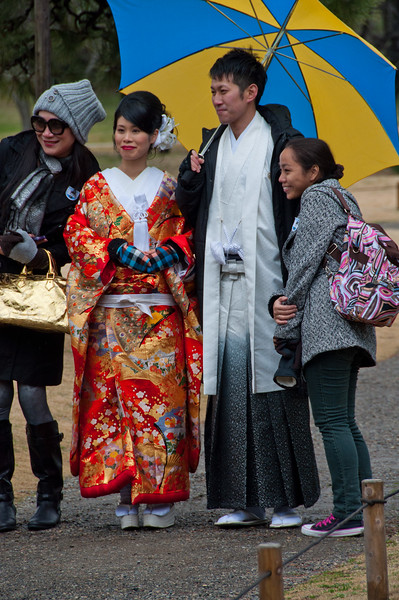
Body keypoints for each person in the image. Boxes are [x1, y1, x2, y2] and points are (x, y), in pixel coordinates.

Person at [175, 48, 320, 528]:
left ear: (251, 92)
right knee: (229, 382)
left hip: (270, 278)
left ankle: (283, 501)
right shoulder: (213, 143)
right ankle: (242, 500)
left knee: (273, 378)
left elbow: (297, 205)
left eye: (224, 90)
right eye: (213, 90)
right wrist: (189, 177)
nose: (216, 98)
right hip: (223, 277)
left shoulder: (282, 140)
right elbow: (194, 206)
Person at [64, 91, 202, 530]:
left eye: (137, 131)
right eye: (121, 130)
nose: (127, 138)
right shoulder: (96, 187)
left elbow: (189, 233)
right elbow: (76, 233)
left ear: (154, 135)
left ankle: (159, 497)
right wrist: (115, 249)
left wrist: (171, 254)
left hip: (159, 315)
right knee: (115, 405)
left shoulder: (170, 186)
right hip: (112, 314)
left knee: (161, 404)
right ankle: (126, 494)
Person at [0, 79, 106, 533]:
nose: (45, 131)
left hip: (42, 293)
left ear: (76, 129)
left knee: (31, 394)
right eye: (39, 121)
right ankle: (2, 495)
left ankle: (49, 492)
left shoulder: (86, 172)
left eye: (56, 125)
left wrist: (38, 254)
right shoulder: (12, 149)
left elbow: (83, 241)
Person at [271, 137, 376, 537]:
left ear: (312, 172)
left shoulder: (316, 199)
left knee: (332, 423)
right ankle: (367, 508)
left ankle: (348, 513)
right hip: (353, 324)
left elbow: (302, 267)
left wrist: (285, 321)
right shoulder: (345, 198)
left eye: (287, 169)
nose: (281, 177)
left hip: (327, 327)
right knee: (345, 422)